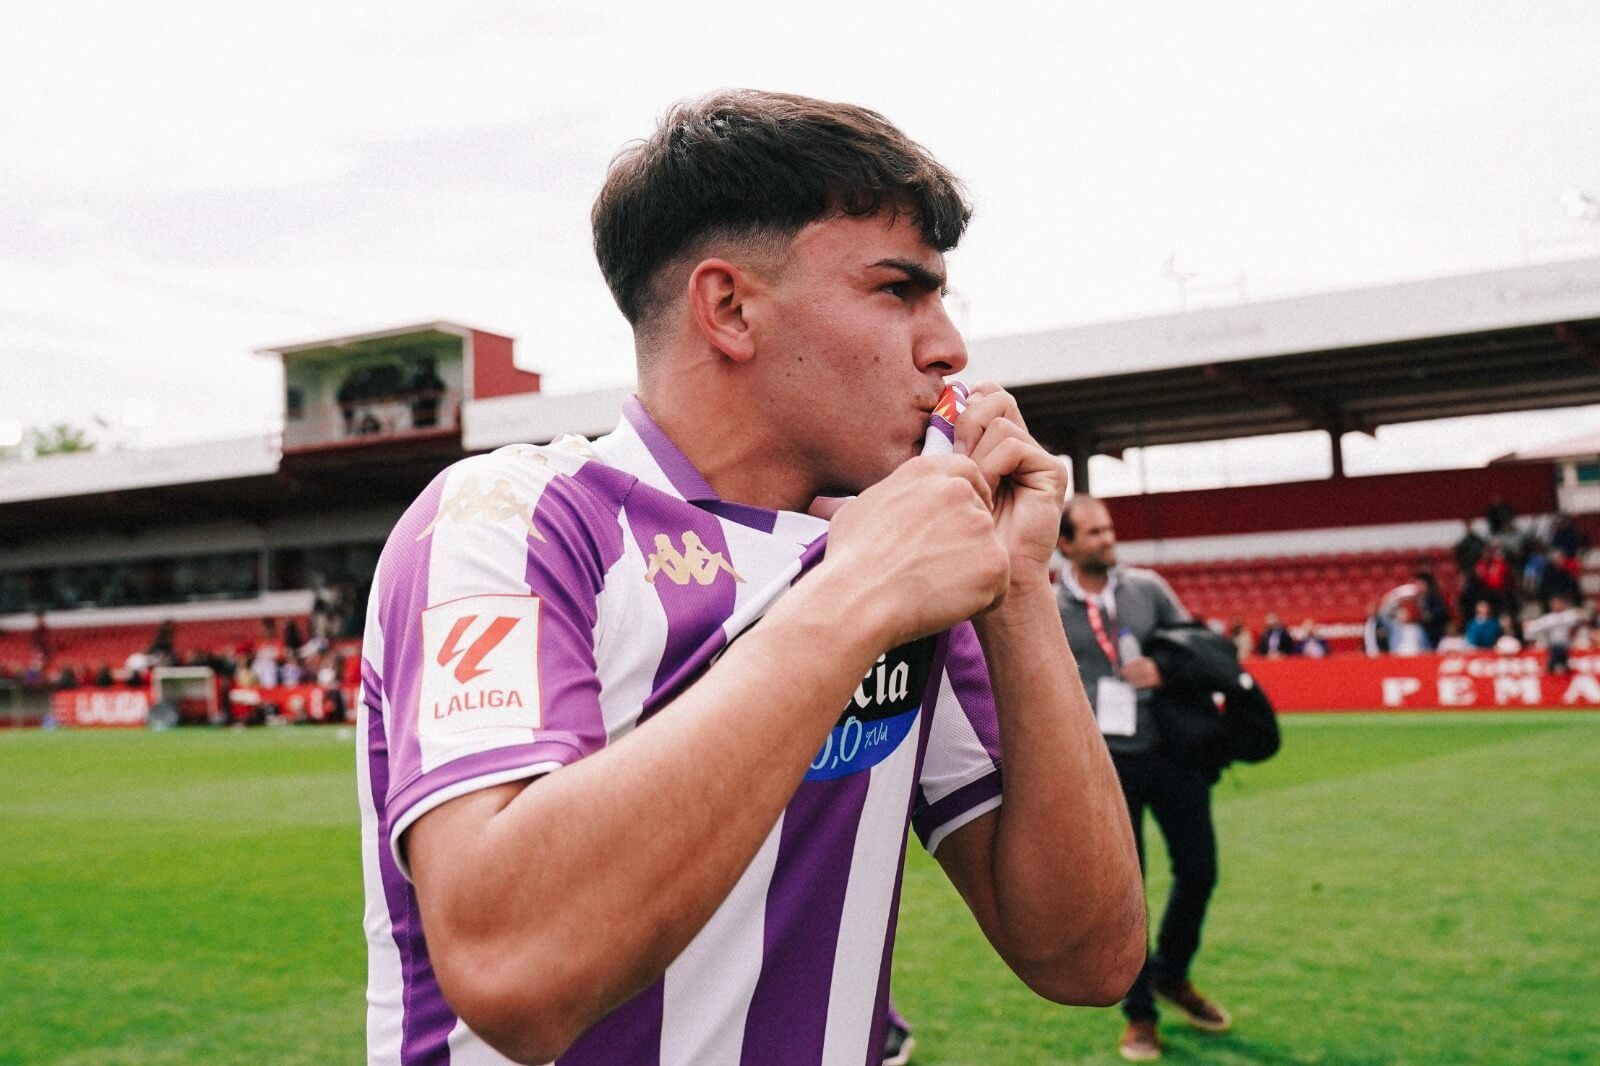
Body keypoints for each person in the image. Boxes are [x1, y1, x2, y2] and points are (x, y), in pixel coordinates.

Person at [358, 90, 1145, 1065]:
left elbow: (1087, 955)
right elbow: (512, 971)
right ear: (728, 308)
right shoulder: (508, 520)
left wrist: (1018, 584)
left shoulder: (906, 562)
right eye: (898, 289)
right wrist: (846, 603)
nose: (947, 346)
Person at [1055, 495, 1231, 1062]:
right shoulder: (1048, 604)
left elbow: (1196, 647)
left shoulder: (1148, 588)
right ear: (1066, 544)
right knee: (1125, 895)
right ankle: (1140, 1015)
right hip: (1105, 764)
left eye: (1109, 528)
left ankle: (1171, 974)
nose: (1108, 538)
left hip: (1171, 751)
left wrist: (1164, 668)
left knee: (1200, 871)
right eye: (1094, 532)